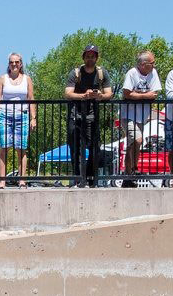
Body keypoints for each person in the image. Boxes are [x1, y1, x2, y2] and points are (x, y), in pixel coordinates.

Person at [64, 44, 113, 187]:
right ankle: (78, 178)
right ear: (84, 57)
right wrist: (83, 96)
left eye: (93, 56)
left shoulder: (101, 73)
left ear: (96, 58)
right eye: (87, 56)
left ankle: (91, 177)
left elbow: (109, 93)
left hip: (93, 116)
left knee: (95, 147)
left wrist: (99, 96)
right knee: (75, 147)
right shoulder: (76, 73)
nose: (90, 59)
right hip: (76, 115)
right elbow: (67, 93)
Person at [118, 51, 161, 188]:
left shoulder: (153, 73)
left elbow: (154, 94)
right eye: (152, 63)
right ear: (143, 64)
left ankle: (128, 175)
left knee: (133, 144)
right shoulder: (132, 73)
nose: (154, 65)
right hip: (128, 115)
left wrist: (138, 95)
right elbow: (126, 93)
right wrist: (145, 95)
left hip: (142, 116)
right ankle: (134, 169)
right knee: (138, 139)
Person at [0, 53, 36, 185]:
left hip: (22, 115)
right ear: (8, 64)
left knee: (21, 148)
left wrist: (33, 118)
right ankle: (2, 181)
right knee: (4, 147)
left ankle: (22, 180)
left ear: (21, 64)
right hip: (4, 115)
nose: (14, 64)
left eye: (17, 62)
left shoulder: (27, 79)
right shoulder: (2, 79)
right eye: (12, 62)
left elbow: (31, 99)